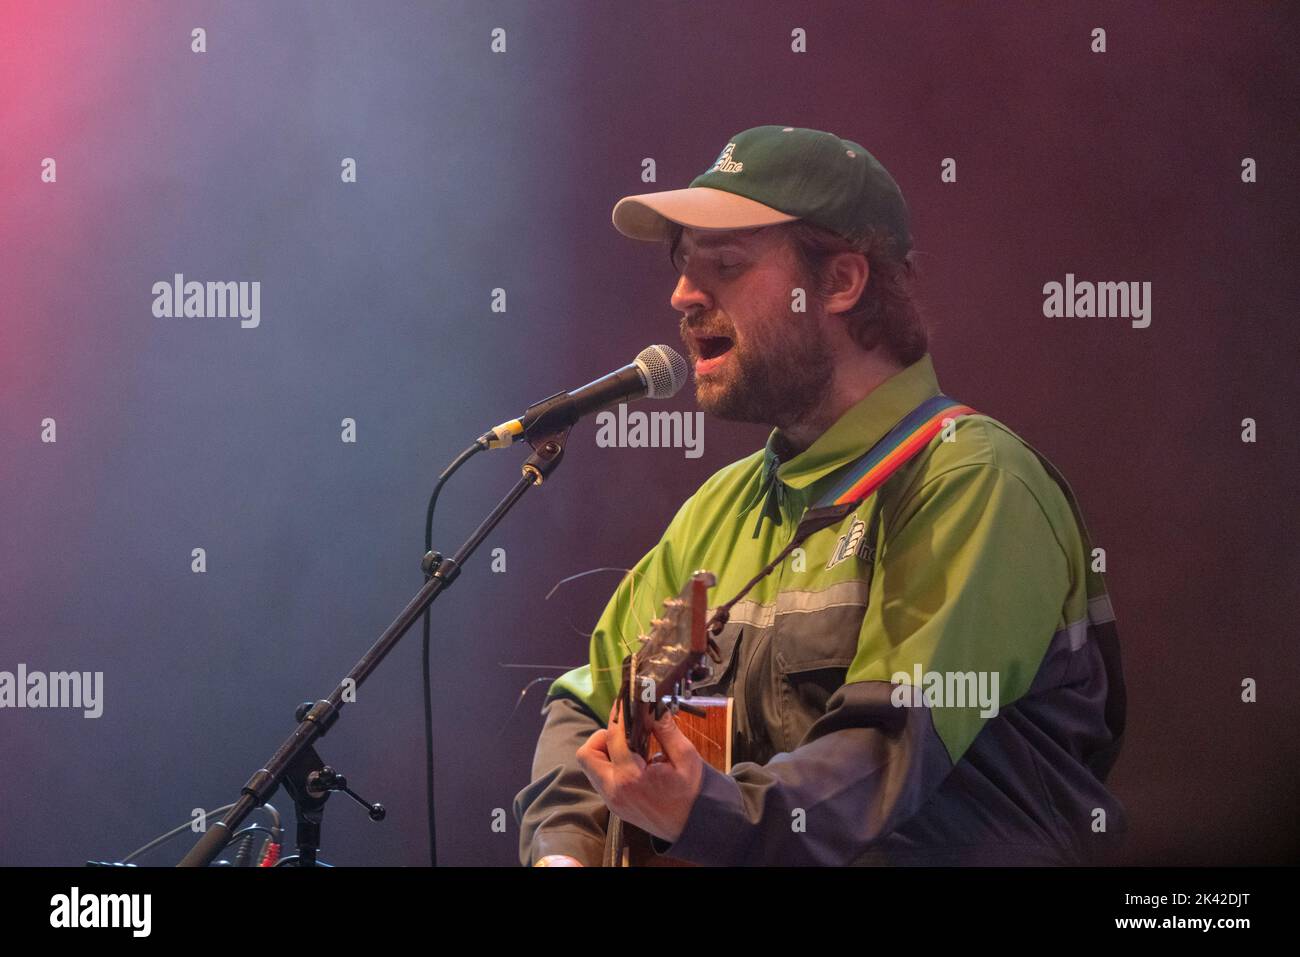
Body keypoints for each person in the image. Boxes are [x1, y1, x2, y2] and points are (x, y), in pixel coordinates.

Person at [512, 125, 1126, 866]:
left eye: (726, 263)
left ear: (840, 282)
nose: (680, 292)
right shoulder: (721, 507)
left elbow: (879, 756)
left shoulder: (973, 480)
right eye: (681, 264)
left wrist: (700, 809)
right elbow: (584, 703)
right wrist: (564, 853)